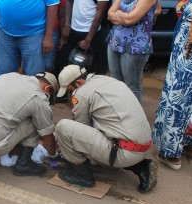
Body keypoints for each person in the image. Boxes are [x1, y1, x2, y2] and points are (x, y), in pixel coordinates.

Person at [54, 64, 157, 193]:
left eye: (70, 90)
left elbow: (80, 128)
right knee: (102, 124)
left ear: (79, 82)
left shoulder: (82, 93)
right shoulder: (108, 80)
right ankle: (141, 167)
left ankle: (83, 176)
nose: (70, 95)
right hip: (142, 146)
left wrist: (63, 147)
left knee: (63, 127)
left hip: (123, 152)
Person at [152, 0, 192, 170]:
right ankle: (189, 144)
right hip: (185, 54)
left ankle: (170, 152)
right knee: (187, 101)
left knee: (178, 103)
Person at [0, 72, 59, 176]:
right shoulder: (38, 97)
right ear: (48, 88)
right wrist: (53, 155)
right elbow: (47, 136)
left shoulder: (7, 76)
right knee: (35, 121)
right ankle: (24, 164)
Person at [0, 0, 59, 76]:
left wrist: (48, 36)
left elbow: (52, 6)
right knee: (4, 77)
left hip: (34, 35)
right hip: (5, 33)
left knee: (34, 78)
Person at [106, 0, 159, 102]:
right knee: (117, 84)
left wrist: (117, 14)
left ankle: (133, 116)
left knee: (132, 87)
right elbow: (109, 15)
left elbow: (130, 20)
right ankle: (120, 114)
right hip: (115, 42)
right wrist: (124, 16)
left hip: (135, 47)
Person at [55, 0, 110, 75]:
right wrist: (67, 24)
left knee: (87, 69)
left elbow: (100, 13)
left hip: (91, 33)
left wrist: (88, 40)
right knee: (64, 64)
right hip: (73, 30)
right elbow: (69, 2)